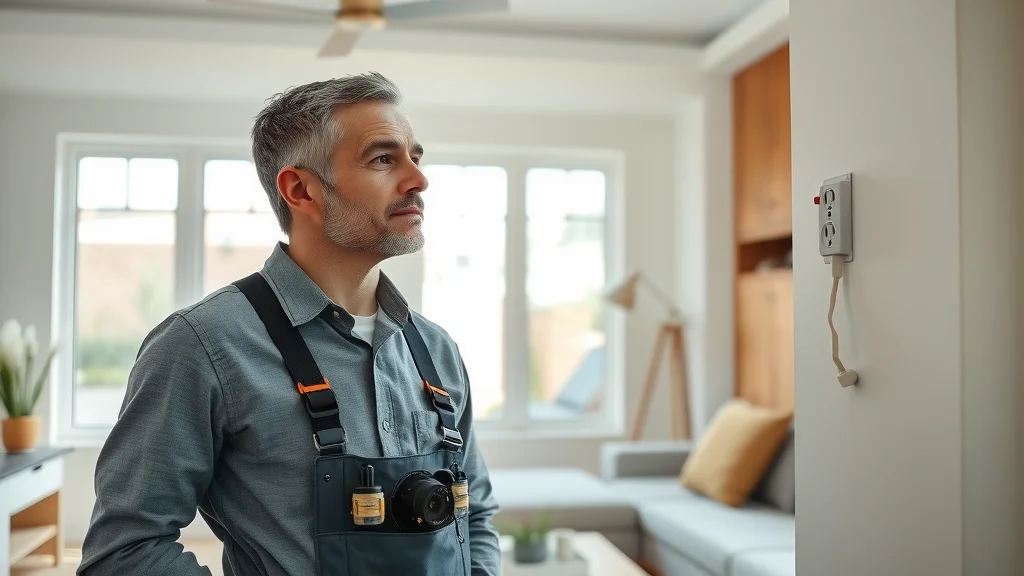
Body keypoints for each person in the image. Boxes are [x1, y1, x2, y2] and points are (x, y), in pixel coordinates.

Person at [77, 72, 502, 576]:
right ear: (300, 189)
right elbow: (124, 551)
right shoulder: (204, 345)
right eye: (383, 159)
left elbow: (472, 515)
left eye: (415, 156)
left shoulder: (436, 349)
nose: (418, 179)